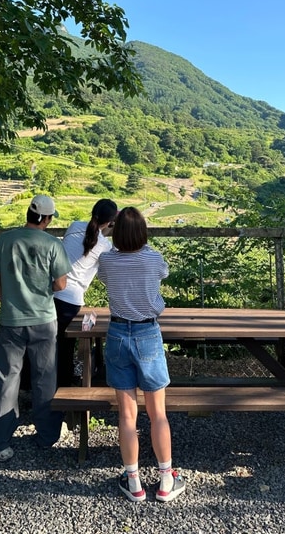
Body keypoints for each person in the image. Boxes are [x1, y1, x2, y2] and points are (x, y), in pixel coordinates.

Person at [97, 207, 185, 503]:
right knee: (157, 412)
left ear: (115, 232)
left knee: (127, 413)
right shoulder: (153, 258)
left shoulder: (107, 260)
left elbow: (105, 280)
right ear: (143, 233)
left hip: (118, 333)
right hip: (148, 333)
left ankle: (133, 481)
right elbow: (163, 273)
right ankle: (165, 479)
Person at [0, 194, 71, 461]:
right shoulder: (52, 244)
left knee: (7, 379)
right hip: (44, 321)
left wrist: (9, 302)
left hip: (11, 320)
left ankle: (0, 442)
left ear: (28, 214)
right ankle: (47, 437)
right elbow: (60, 285)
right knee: (45, 379)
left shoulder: (5, 240)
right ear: (47, 218)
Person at [54, 198, 118, 386]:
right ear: (110, 222)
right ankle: (63, 384)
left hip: (52, 291)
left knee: (51, 342)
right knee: (66, 346)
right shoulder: (105, 245)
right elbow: (105, 275)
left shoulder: (74, 226)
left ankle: (43, 383)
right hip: (72, 298)